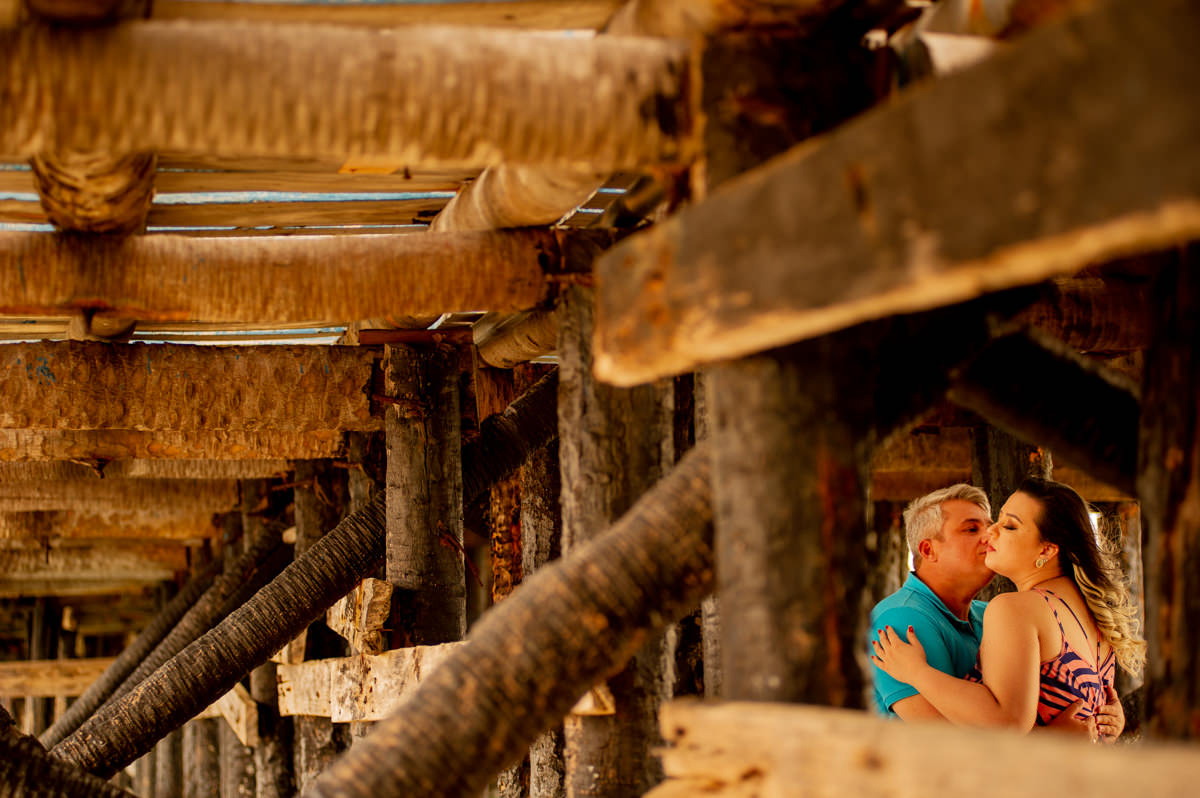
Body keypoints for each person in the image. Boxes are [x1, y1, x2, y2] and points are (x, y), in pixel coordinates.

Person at [872, 477, 1144, 737]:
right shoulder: (898, 619)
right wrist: (1050, 739)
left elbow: (1008, 716)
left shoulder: (998, 612)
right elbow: (943, 734)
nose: (989, 534)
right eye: (971, 529)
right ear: (928, 551)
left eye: (1006, 526)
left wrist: (1103, 721)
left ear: (1047, 550)